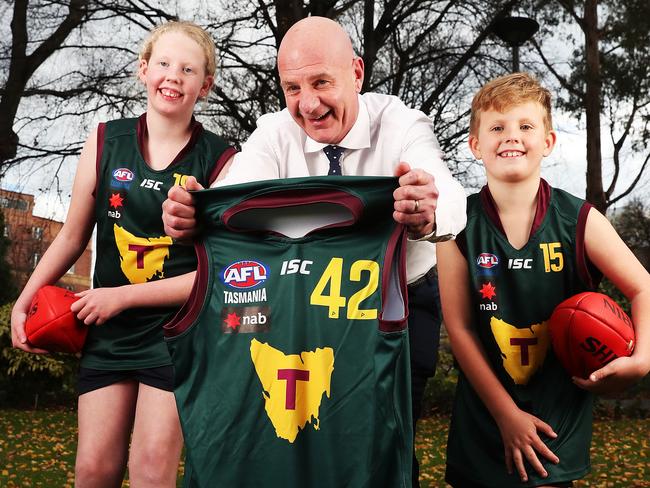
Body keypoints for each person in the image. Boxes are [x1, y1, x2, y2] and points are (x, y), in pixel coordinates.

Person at [162, 16, 466, 486]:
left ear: (357, 74)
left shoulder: (402, 124)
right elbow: (234, 192)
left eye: (322, 81)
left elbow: (447, 192)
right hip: (303, 302)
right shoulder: (274, 132)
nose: (308, 103)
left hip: (397, 303)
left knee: (382, 442)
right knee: (299, 438)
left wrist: (429, 210)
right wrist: (194, 213)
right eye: (292, 88)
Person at [10, 21, 235, 487]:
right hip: (107, 331)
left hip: (176, 333)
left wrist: (121, 297)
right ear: (143, 69)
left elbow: (219, 273)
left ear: (205, 85)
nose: (174, 76)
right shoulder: (104, 140)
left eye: (189, 69)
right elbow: (72, 236)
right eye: (165, 63)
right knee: (93, 471)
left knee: (151, 473)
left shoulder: (221, 160)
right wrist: (24, 300)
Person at [437, 72, 650, 487]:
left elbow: (643, 287)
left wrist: (642, 359)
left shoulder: (580, 219)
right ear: (476, 144)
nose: (510, 136)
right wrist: (506, 415)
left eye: (525, 126)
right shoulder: (455, 224)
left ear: (548, 142)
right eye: (497, 127)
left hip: (557, 426)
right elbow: (459, 328)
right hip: (483, 425)